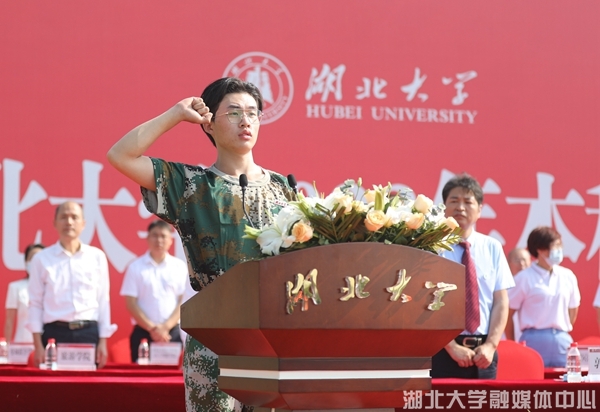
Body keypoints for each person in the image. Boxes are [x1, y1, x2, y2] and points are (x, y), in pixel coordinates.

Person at [107, 77, 295, 411]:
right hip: (214, 337)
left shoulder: (284, 188)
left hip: (273, 340)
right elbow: (120, 155)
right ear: (208, 124)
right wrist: (176, 114)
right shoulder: (190, 185)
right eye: (233, 112)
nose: (246, 121)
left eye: (252, 113)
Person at [432, 173, 515, 379]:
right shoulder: (432, 247)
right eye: (454, 201)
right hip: (442, 351)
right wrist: (451, 347)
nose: (460, 207)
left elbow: (501, 301)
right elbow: (424, 303)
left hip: (484, 355)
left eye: (468, 202)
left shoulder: (492, 247)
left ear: (479, 210)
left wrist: (491, 345)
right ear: (444, 208)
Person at [26, 201, 116, 368]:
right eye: (63, 217)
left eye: (74, 217)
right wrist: (38, 345)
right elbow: (35, 303)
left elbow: (103, 300)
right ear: (55, 223)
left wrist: (103, 340)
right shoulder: (41, 259)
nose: (69, 222)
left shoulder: (96, 257)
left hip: (88, 333)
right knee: (54, 383)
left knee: (87, 383)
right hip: (54, 334)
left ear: (83, 223)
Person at [506, 227, 580, 367]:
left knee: (567, 378)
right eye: (554, 246)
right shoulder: (524, 278)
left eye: (560, 246)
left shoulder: (567, 276)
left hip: (562, 341)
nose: (559, 250)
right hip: (533, 340)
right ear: (540, 249)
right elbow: (508, 313)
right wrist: (513, 343)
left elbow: (573, 309)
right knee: (533, 378)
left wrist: (560, 330)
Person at [120, 219, 188, 362]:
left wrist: (165, 327)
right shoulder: (135, 267)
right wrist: (153, 329)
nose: (159, 240)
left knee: (173, 375)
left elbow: (183, 301)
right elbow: (131, 303)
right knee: (141, 375)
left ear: (171, 240)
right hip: (143, 333)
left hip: (172, 333)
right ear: (147, 238)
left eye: (163, 236)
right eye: (155, 235)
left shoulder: (179, 267)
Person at [4, 244, 45, 343]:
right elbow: (9, 321)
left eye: (39, 258)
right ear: (26, 262)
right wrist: (6, 346)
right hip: (23, 343)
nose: (35, 262)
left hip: (47, 343)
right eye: (32, 258)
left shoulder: (52, 288)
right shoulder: (16, 287)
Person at [505, 248, 531, 342]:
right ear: (508, 263)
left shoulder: (535, 287)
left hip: (528, 338)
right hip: (506, 339)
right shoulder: (501, 288)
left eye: (524, 260)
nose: (521, 263)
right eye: (517, 260)